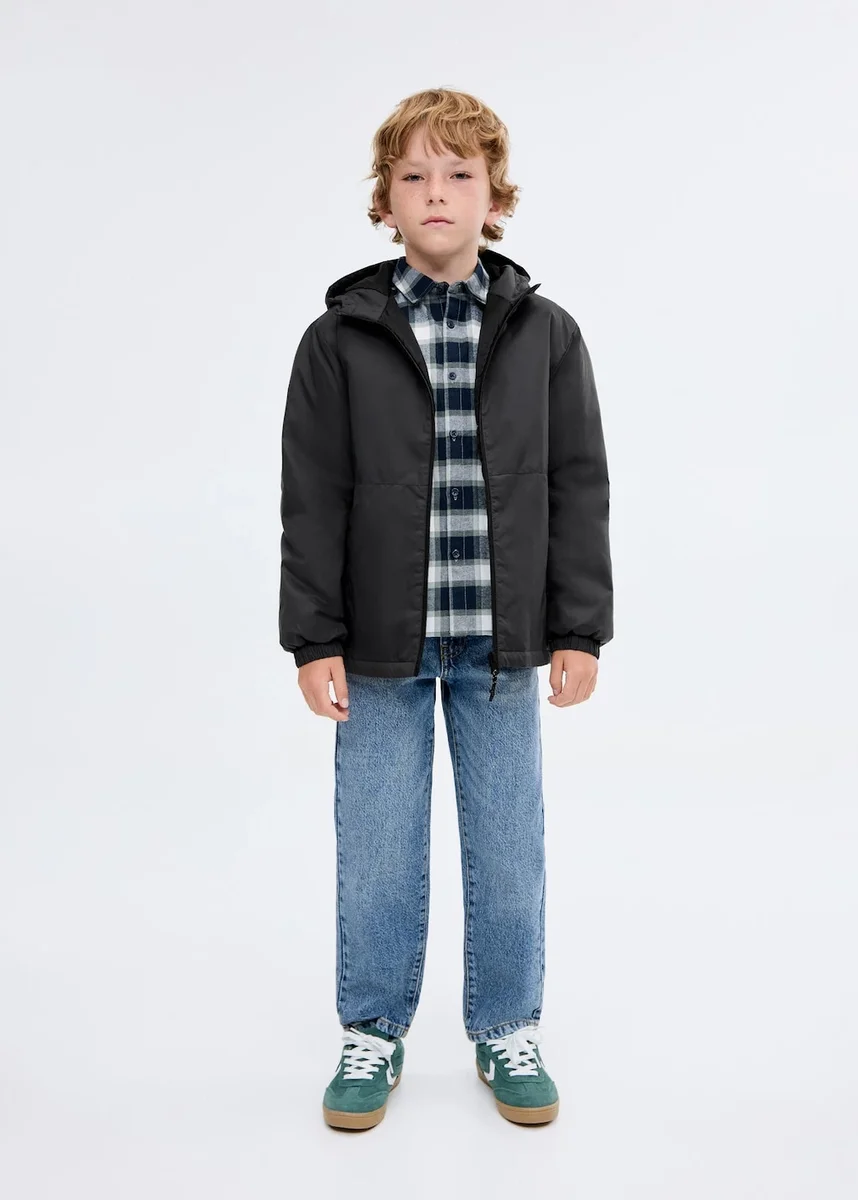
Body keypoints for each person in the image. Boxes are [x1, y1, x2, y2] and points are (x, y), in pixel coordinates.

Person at [279, 87, 613, 1130]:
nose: (436, 192)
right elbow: (311, 497)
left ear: (493, 198)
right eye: (414, 175)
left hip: (503, 647)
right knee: (378, 849)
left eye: (459, 174)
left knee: (509, 849)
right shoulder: (338, 340)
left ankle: (507, 1026)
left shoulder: (547, 335)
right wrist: (313, 639)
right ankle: (372, 1032)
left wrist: (579, 628)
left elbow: (578, 485)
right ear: (384, 200)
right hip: (378, 648)